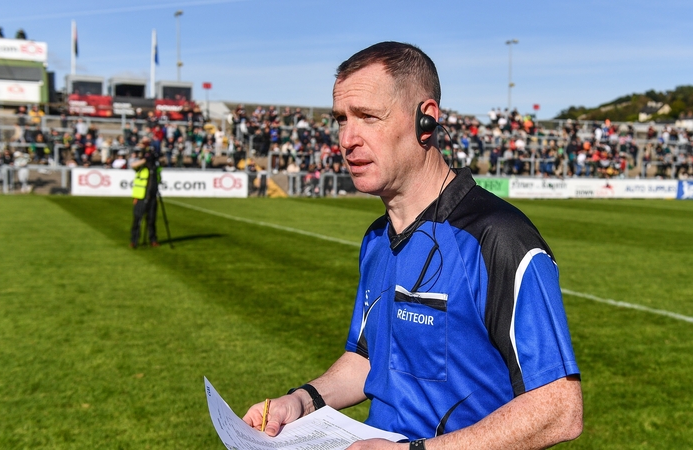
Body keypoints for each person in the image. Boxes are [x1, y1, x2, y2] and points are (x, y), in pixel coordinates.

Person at [242, 42, 582, 449]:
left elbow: (560, 410)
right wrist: (301, 401)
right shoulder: (376, 239)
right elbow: (368, 361)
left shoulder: (497, 237)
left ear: (427, 120)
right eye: (340, 120)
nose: (347, 138)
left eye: (368, 117)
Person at [129, 140, 161, 248]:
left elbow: (160, 169)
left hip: (152, 196)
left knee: (152, 220)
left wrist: (153, 161)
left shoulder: (154, 167)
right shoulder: (140, 164)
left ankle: (153, 239)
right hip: (141, 196)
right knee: (137, 219)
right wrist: (144, 160)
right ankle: (134, 240)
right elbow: (133, 165)